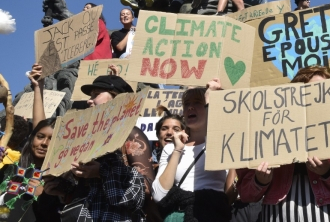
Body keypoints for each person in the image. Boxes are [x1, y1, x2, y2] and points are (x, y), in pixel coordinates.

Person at [236, 66, 330, 222]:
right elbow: (246, 194)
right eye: (309, 92)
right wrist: (260, 181)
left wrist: (329, 172)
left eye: (323, 92)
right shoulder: (269, 134)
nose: (316, 98)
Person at [44, 75, 154, 222]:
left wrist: (103, 172)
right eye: (90, 96)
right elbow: (87, 190)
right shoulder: (83, 138)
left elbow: (147, 188)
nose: (89, 100)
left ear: (116, 99)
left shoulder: (129, 134)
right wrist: (63, 189)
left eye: (96, 95)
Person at [152, 81, 232, 221]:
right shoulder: (171, 148)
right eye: (187, 104)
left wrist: (211, 101)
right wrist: (177, 150)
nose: (190, 107)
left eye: (197, 102)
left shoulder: (224, 143)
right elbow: (159, 195)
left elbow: (230, 195)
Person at [0, 64, 61, 222]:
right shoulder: (13, 163)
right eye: (40, 137)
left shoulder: (54, 180)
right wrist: (37, 87)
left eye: (51, 139)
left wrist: (44, 195)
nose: (44, 143)